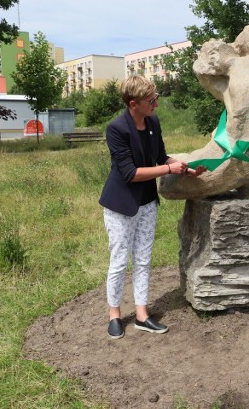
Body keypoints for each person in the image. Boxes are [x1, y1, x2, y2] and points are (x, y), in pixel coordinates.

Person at [99, 75, 206, 339]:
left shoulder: (152, 123)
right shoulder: (116, 129)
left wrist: (187, 169)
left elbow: (160, 156)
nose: (155, 105)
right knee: (120, 261)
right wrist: (169, 169)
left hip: (147, 203)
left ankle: (142, 315)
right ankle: (114, 314)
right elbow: (129, 173)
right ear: (133, 103)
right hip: (121, 205)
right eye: (151, 101)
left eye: (155, 99)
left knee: (144, 260)